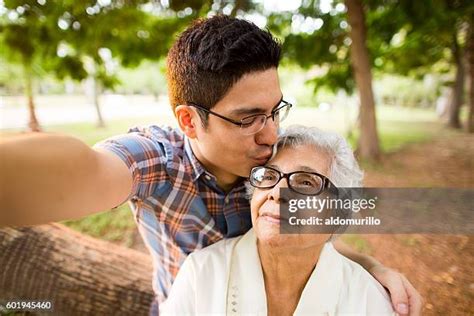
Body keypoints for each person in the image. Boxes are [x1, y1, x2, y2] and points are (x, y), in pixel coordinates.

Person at [0, 15, 421, 315]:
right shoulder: (159, 161)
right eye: (247, 118)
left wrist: (373, 267)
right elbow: (87, 171)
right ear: (189, 120)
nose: (270, 134)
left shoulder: (270, 162)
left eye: (275, 111)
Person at [160, 126, 395, 315]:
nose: (276, 192)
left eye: (305, 182)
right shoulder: (201, 274)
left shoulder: (368, 299)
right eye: (269, 176)